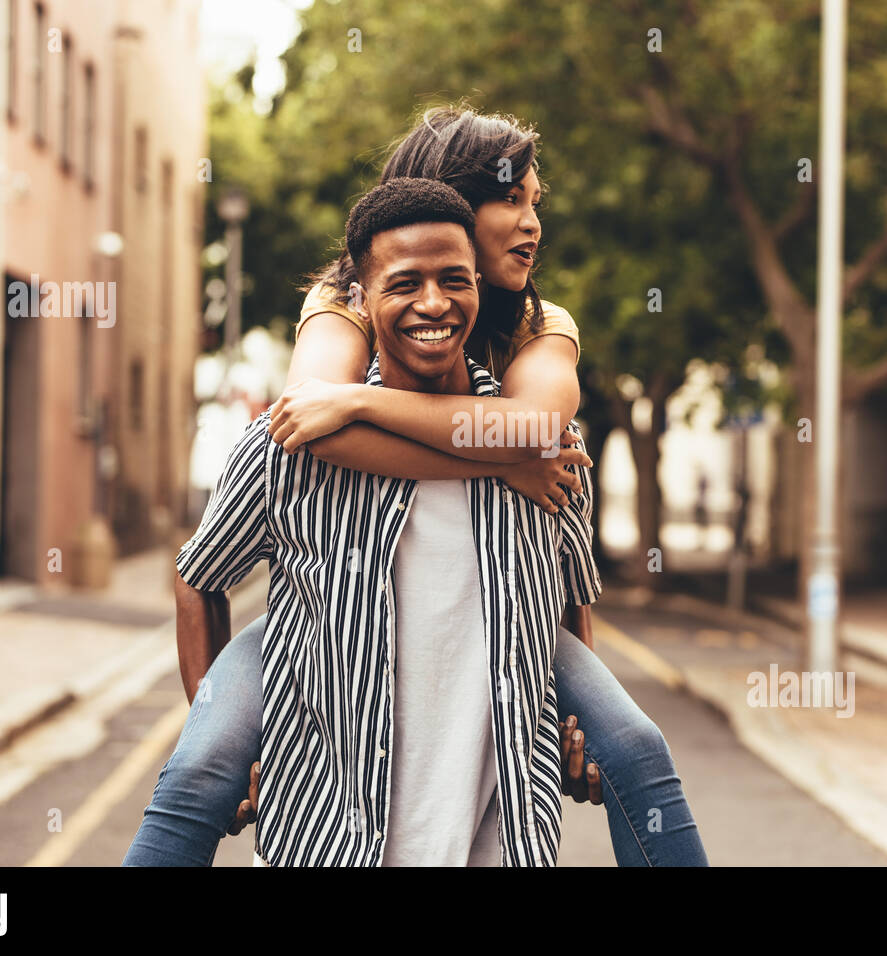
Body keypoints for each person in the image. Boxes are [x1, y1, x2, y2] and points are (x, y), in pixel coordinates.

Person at [126, 106, 706, 867]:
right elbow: (309, 426)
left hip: (505, 625)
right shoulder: (342, 304)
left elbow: (542, 476)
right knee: (201, 768)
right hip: (328, 614)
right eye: (512, 200)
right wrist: (485, 454)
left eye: (537, 202)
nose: (532, 222)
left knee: (635, 746)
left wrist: (569, 718)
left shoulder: (539, 323)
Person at [162, 177, 594, 865]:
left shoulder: (550, 457)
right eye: (405, 284)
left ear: (480, 287)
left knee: (642, 757)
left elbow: (570, 600)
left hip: (505, 840)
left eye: (455, 280)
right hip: (323, 841)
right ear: (361, 299)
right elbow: (197, 576)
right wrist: (224, 729)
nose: (434, 303)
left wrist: (581, 731)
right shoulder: (290, 450)